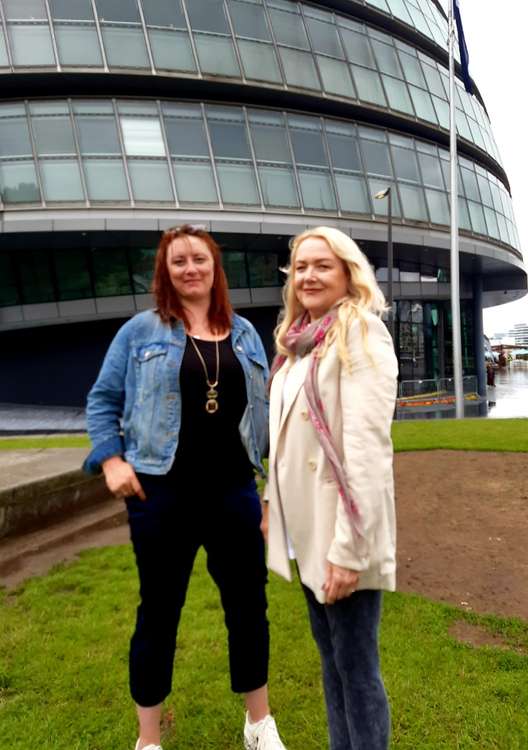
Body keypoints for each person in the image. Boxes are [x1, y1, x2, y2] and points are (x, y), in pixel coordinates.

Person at [84, 225, 286, 750]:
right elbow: (102, 399)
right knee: (158, 611)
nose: (191, 268)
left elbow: (266, 415)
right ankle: (148, 739)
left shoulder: (243, 333)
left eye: (200, 258)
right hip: (161, 495)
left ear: (215, 268)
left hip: (233, 492)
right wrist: (110, 461)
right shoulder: (139, 333)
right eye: (179, 262)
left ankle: (258, 725)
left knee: (248, 607)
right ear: (165, 272)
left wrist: (268, 492)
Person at [262, 227, 398, 750]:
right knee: (332, 663)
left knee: (357, 671)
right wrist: (273, 505)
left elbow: (366, 450)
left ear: (348, 274)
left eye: (322, 265)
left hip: (344, 536)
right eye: (300, 267)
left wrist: (348, 550)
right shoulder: (297, 343)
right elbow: (285, 438)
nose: (309, 275)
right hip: (310, 532)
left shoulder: (359, 332)